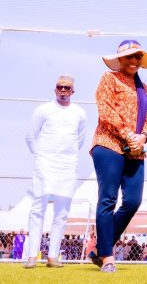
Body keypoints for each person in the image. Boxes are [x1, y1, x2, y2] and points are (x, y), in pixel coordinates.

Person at [89, 40, 147, 273]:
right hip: (108, 144)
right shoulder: (109, 78)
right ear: (119, 60)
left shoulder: (145, 89)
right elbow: (105, 109)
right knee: (108, 199)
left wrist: (143, 137)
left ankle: (100, 247)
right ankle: (107, 258)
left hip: (136, 150)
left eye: (137, 57)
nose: (134, 61)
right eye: (129, 57)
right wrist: (128, 134)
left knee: (133, 201)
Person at [24, 75, 86, 269]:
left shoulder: (80, 113)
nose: (63, 90)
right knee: (37, 209)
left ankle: (52, 257)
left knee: (61, 213)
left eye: (67, 88)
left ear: (73, 91)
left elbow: (80, 140)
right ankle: (32, 256)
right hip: (44, 165)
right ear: (55, 89)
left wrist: (67, 157)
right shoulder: (43, 110)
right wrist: (40, 156)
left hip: (67, 167)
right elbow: (30, 136)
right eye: (60, 87)